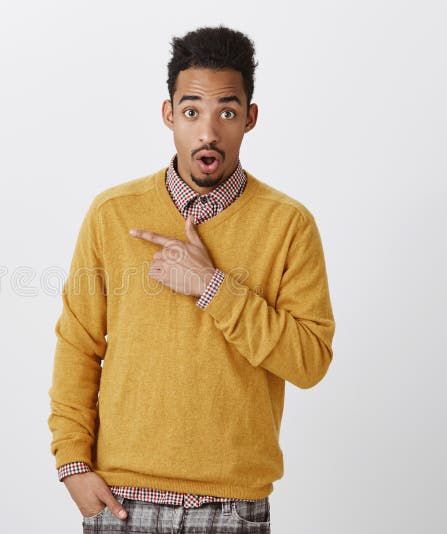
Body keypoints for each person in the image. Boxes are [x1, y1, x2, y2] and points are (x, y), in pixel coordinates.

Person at [47, 25, 335, 534]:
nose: (208, 132)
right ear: (168, 114)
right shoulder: (113, 214)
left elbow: (310, 360)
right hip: (120, 500)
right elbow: (79, 344)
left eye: (226, 111)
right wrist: (72, 463)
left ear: (250, 117)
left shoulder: (289, 225)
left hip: (232, 507)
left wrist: (212, 287)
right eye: (191, 111)